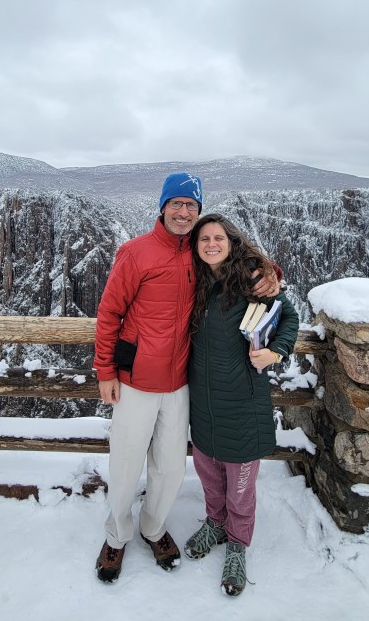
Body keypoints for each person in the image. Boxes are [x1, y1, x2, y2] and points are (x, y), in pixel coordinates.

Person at [93, 174, 278, 584]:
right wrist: (105, 370)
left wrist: (269, 272)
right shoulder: (135, 253)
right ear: (162, 207)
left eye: (191, 205)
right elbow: (109, 313)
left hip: (180, 382)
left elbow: (235, 262)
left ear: (198, 211)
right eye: (176, 204)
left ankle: (153, 527)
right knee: (125, 465)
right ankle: (116, 536)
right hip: (136, 380)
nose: (183, 212)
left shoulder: (198, 253)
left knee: (170, 468)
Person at [183, 214, 299, 598]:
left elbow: (289, 316)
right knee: (209, 474)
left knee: (240, 486)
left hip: (242, 401)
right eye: (204, 239)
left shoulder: (251, 278)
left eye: (218, 238)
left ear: (231, 241)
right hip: (203, 403)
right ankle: (215, 523)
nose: (211, 244)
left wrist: (275, 352)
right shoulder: (196, 280)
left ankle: (237, 544)